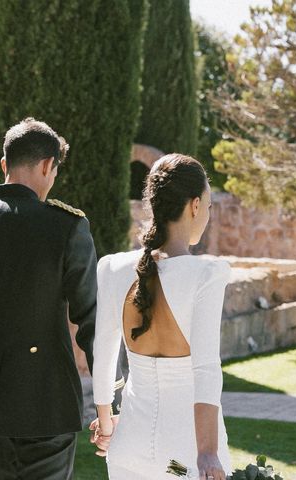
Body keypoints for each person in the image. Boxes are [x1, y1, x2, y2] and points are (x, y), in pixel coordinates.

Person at [0, 117, 119, 479]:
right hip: (49, 403)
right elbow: (93, 321)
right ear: (49, 166)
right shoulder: (66, 227)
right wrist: (112, 405)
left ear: (4, 165)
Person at [91, 154, 232, 480]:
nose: (208, 215)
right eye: (209, 207)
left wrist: (107, 421)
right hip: (181, 464)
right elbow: (206, 369)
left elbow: (104, 356)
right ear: (194, 206)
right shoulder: (206, 273)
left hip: (126, 452)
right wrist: (207, 453)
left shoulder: (111, 267)